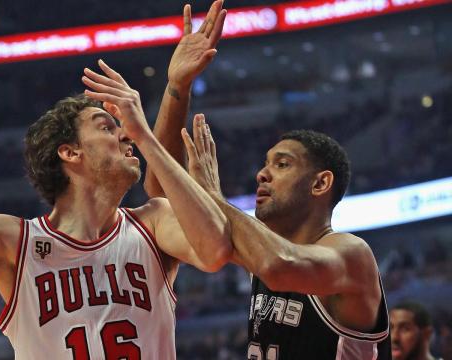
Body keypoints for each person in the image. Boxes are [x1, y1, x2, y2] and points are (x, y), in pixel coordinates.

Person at [0, 0, 228, 358]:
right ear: (69, 152)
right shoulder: (16, 246)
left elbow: (214, 250)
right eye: (107, 127)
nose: (127, 135)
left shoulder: (152, 225)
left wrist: (171, 96)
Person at [145, 115, 392, 356]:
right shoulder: (258, 251)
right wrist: (178, 87)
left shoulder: (351, 253)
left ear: (320, 184)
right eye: (266, 163)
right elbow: (166, 197)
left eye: (282, 164)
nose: (262, 174)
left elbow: (278, 265)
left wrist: (213, 196)